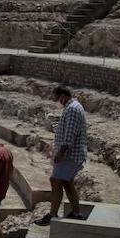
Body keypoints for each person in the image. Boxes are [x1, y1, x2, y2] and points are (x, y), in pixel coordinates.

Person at [35, 85, 87, 226]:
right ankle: (76, 213)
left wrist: (60, 153)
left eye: (58, 98)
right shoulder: (72, 107)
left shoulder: (72, 109)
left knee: (55, 180)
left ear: (63, 96)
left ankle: (52, 215)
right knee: (66, 182)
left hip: (69, 155)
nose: (58, 101)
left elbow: (69, 136)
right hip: (70, 154)